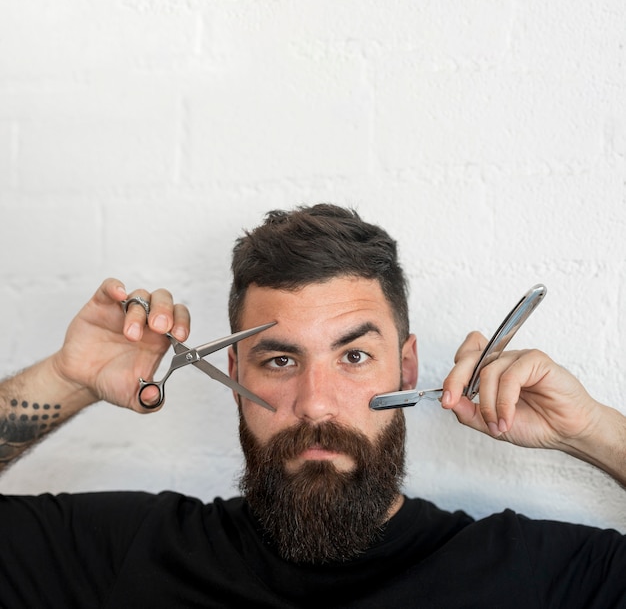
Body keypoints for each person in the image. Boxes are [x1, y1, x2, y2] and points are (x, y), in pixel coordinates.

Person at [1, 203, 625, 608]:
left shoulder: (527, 577)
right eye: (279, 361)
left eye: (353, 357)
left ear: (406, 368)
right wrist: (70, 377)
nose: (315, 405)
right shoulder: (127, 556)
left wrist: (588, 431)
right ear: (233, 370)